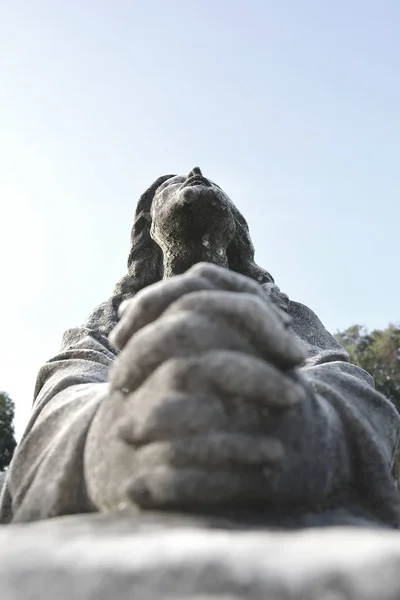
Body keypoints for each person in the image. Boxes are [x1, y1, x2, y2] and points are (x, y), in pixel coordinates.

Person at [1, 168, 399, 528]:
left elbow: (359, 395)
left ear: (238, 233)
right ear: (148, 228)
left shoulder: (289, 315)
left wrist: (311, 430)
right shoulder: (109, 321)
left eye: (212, 182)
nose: (196, 172)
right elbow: (61, 395)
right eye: (170, 182)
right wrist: (109, 441)